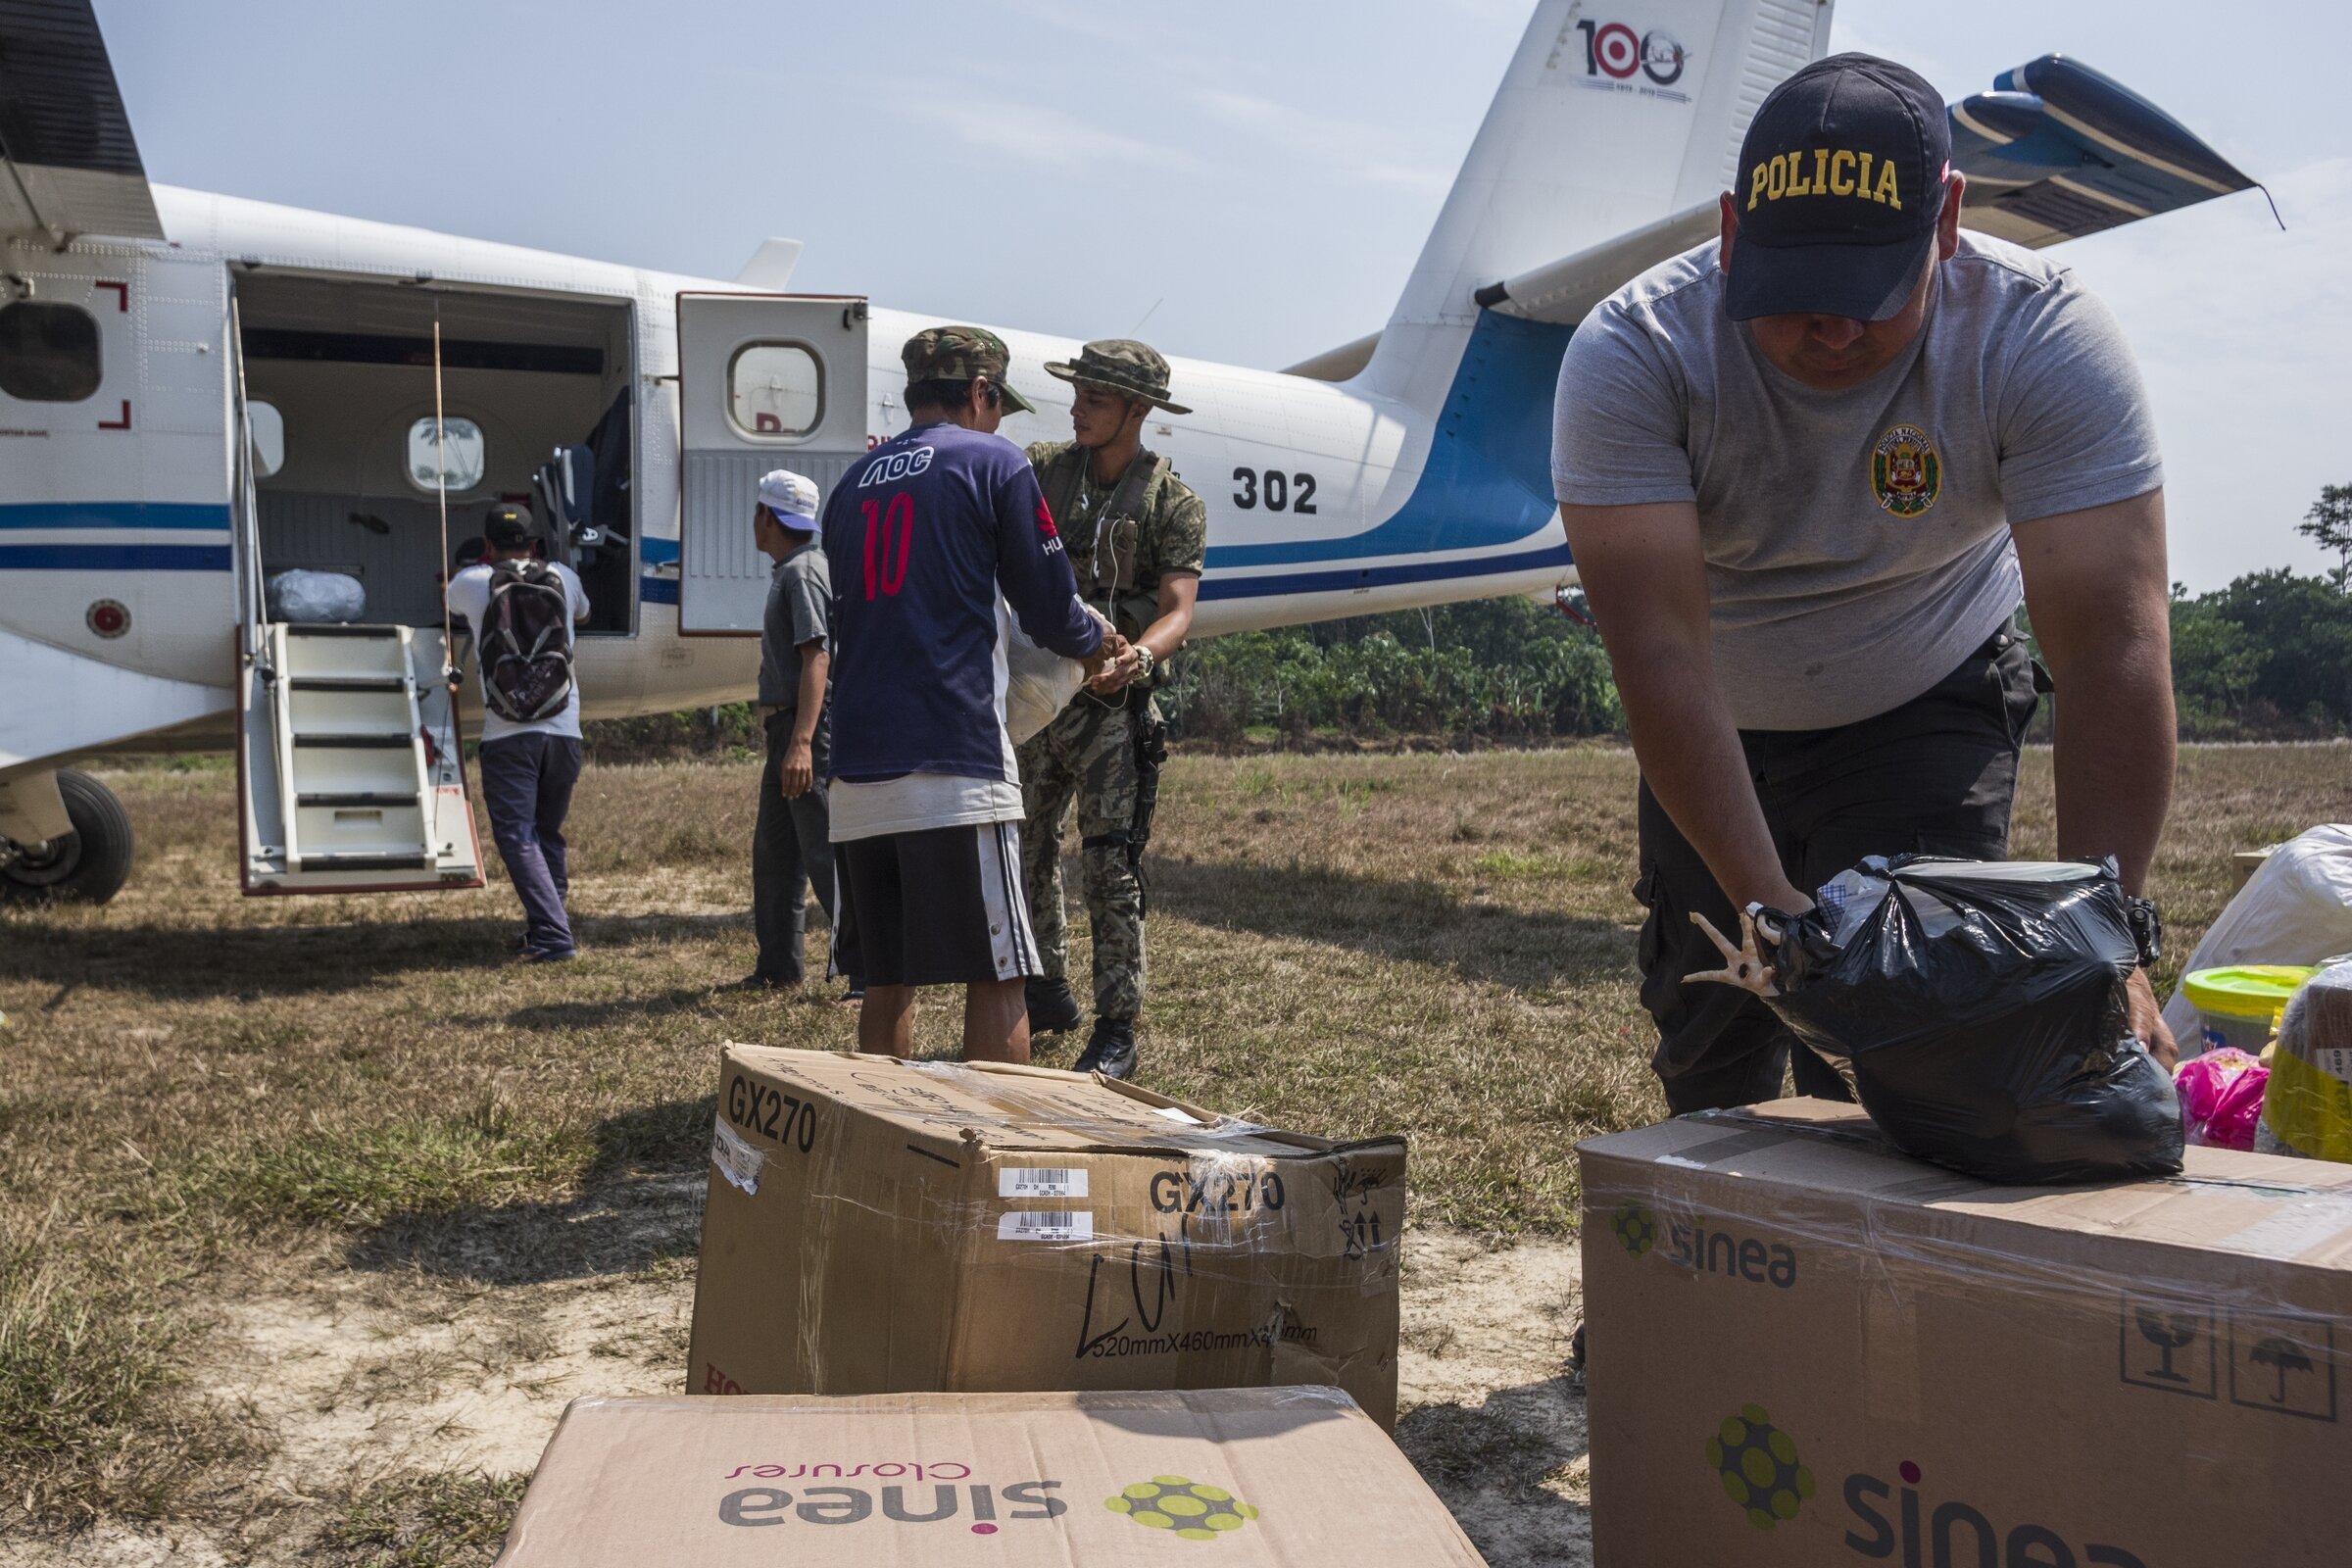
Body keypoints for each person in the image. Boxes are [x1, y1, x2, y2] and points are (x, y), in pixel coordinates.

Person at [1552, 52, 2179, 1115]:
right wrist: (1775, 919)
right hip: (1719, 721)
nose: (1831, 328)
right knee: (1712, 1068)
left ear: (1946, 222)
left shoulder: (2041, 339)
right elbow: (1659, 656)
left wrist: (2105, 944)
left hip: (1924, 696)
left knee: (1911, 1052)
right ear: (1733, 230)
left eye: (1867, 296)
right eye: (1796, 294)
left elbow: (2112, 654)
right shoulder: (1636, 351)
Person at [820, 326, 1118, 1062]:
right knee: (998, 976)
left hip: (856, 773)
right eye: (998, 404)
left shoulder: (851, 485)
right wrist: (1096, 646)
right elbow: (1049, 606)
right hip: (954, 763)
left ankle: (883, 1146)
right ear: (982, 393)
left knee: (887, 980)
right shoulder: (993, 462)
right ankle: (998, 1160)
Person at [1017, 340, 1204, 1080]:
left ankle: (1116, 1026)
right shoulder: (1041, 472)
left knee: (1109, 869)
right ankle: (1046, 989)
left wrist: (1141, 658)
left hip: (1113, 714)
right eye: (1077, 393)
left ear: (1138, 410)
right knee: (1024, 848)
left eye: (1094, 397)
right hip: (1039, 702)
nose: (1076, 407)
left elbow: (1178, 610)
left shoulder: (1172, 501)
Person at [445, 503, 591, 962]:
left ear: (488, 546)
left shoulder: (471, 582)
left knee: (517, 835)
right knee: (546, 831)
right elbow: (583, 615)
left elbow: (447, 606)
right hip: (565, 729)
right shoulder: (563, 578)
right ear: (534, 544)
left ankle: (552, 935)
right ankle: (549, 924)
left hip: (509, 734)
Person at [742, 468, 856, 997]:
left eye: (757, 512)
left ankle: (866, 967)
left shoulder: (802, 573)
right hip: (785, 728)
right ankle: (778, 965)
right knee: (776, 850)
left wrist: (803, 742)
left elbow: (818, 657)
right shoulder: (797, 567)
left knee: (822, 849)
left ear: (768, 516)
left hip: (804, 726)